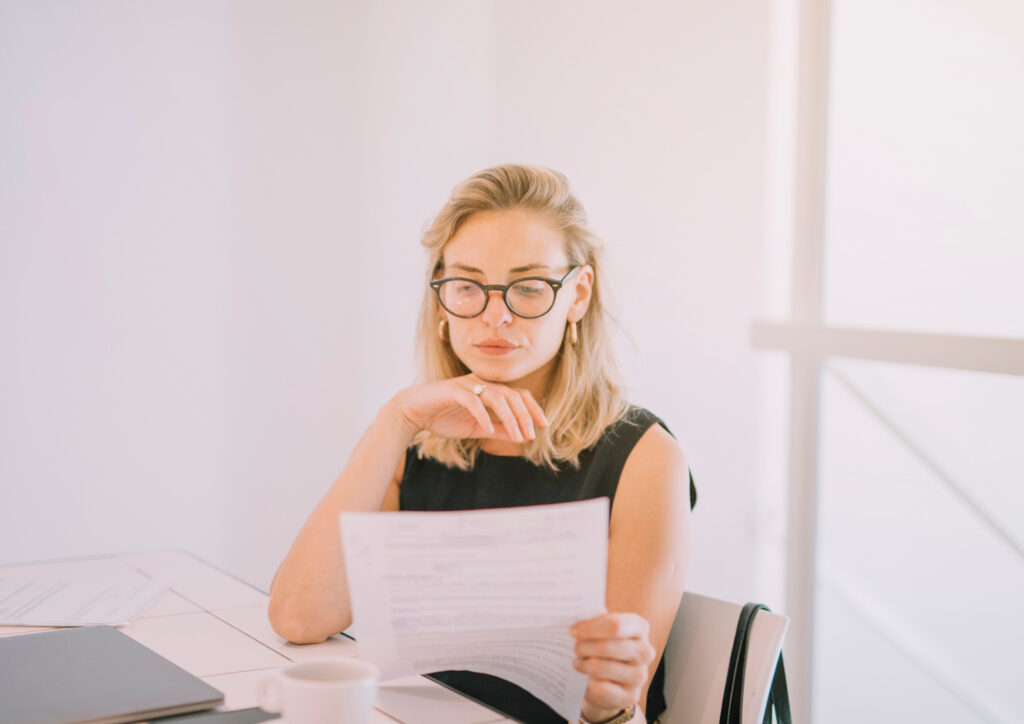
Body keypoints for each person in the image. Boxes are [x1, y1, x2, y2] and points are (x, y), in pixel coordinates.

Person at [268, 164, 694, 724]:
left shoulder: (644, 457)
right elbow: (300, 618)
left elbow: (619, 705)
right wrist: (393, 422)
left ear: (578, 295)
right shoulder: (417, 441)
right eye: (468, 286)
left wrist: (608, 703)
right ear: (442, 299)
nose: (495, 315)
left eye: (529, 286)